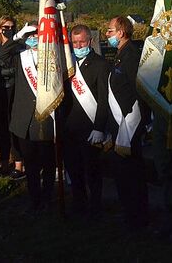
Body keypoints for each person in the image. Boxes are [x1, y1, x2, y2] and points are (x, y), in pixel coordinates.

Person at [7, 23, 59, 212]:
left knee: (47, 162)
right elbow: (0, 55)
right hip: (24, 118)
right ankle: (34, 198)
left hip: (46, 117)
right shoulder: (21, 56)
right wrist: (19, 36)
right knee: (30, 163)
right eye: (31, 35)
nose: (34, 37)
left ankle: (47, 197)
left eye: (37, 34)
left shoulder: (54, 55)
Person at [105, 16, 149, 230]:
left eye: (110, 31)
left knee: (132, 173)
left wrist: (137, 124)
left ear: (121, 32)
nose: (107, 35)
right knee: (122, 173)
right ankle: (129, 213)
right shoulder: (120, 54)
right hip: (119, 123)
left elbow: (138, 90)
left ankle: (137, 216)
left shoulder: (131, 55)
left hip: (129, 124)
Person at [62, 24, 111, 216]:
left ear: (90, 41)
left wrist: (99, 128)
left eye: (82, 41)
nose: (78, 45)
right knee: (74, 171)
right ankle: (78, 205)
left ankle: (96, 207)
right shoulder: (66, 62)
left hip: (90, 128)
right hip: (69, 128)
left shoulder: (101, 64)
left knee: (92, 171)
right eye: (74, 42)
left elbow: (103, 100)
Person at [0, 16, 24, 179]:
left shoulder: (18, 46)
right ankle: (4, 161)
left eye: (12, 26)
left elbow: (15, 66)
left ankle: (19, 163)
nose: (8, 29)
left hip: (14, 90)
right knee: (1, 129)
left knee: (13, 127)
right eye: (5, 26)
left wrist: (3, 69)